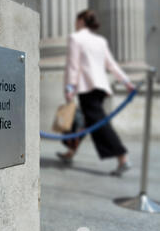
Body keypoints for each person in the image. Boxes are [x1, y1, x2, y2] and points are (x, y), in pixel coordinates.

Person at [57, 10, 135, 176]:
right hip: (100, 87)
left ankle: (123, 157)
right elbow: (111, 64)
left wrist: (70, 87)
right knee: (90, 122)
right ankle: (70, 152)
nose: (75, 24)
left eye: (76, 20)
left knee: (99, 124)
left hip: (87, 87)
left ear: (81, 21)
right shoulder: (100, 40)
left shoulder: (75, 38)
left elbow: (73, 65)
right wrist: (126, 81)